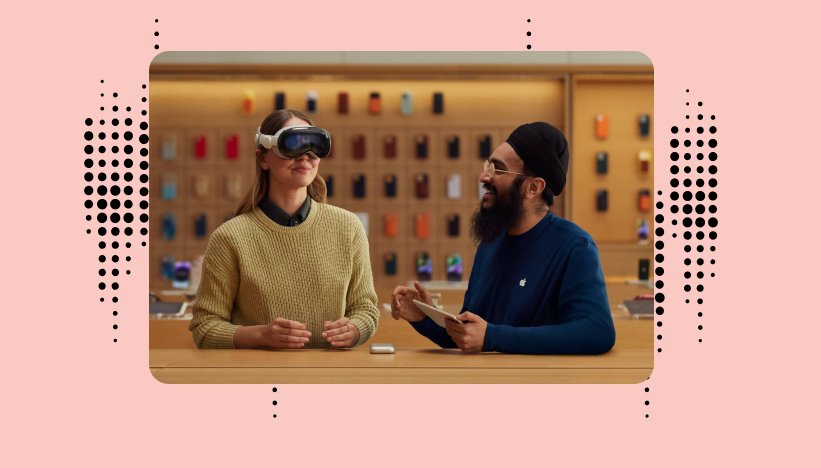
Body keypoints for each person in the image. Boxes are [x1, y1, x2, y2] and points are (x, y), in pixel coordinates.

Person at [390, 122, 616, 355]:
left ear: (532, 187)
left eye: (497, 169)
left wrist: (492, 337)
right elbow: (471, 334)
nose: (483, 177)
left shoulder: (574, 247)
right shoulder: (490, 243)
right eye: (487, 166)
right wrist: (425, 316)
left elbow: (597, 332)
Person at [189, 109, 379, 349]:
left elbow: (365, 309)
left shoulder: (348, 227)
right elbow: (205, 328)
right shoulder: (230, 238)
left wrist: (354, 330)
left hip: (330, 378)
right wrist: (260, 336)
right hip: (261, 380)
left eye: (314, 146)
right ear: (263, 158)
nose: (305, 156)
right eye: (293, 145)